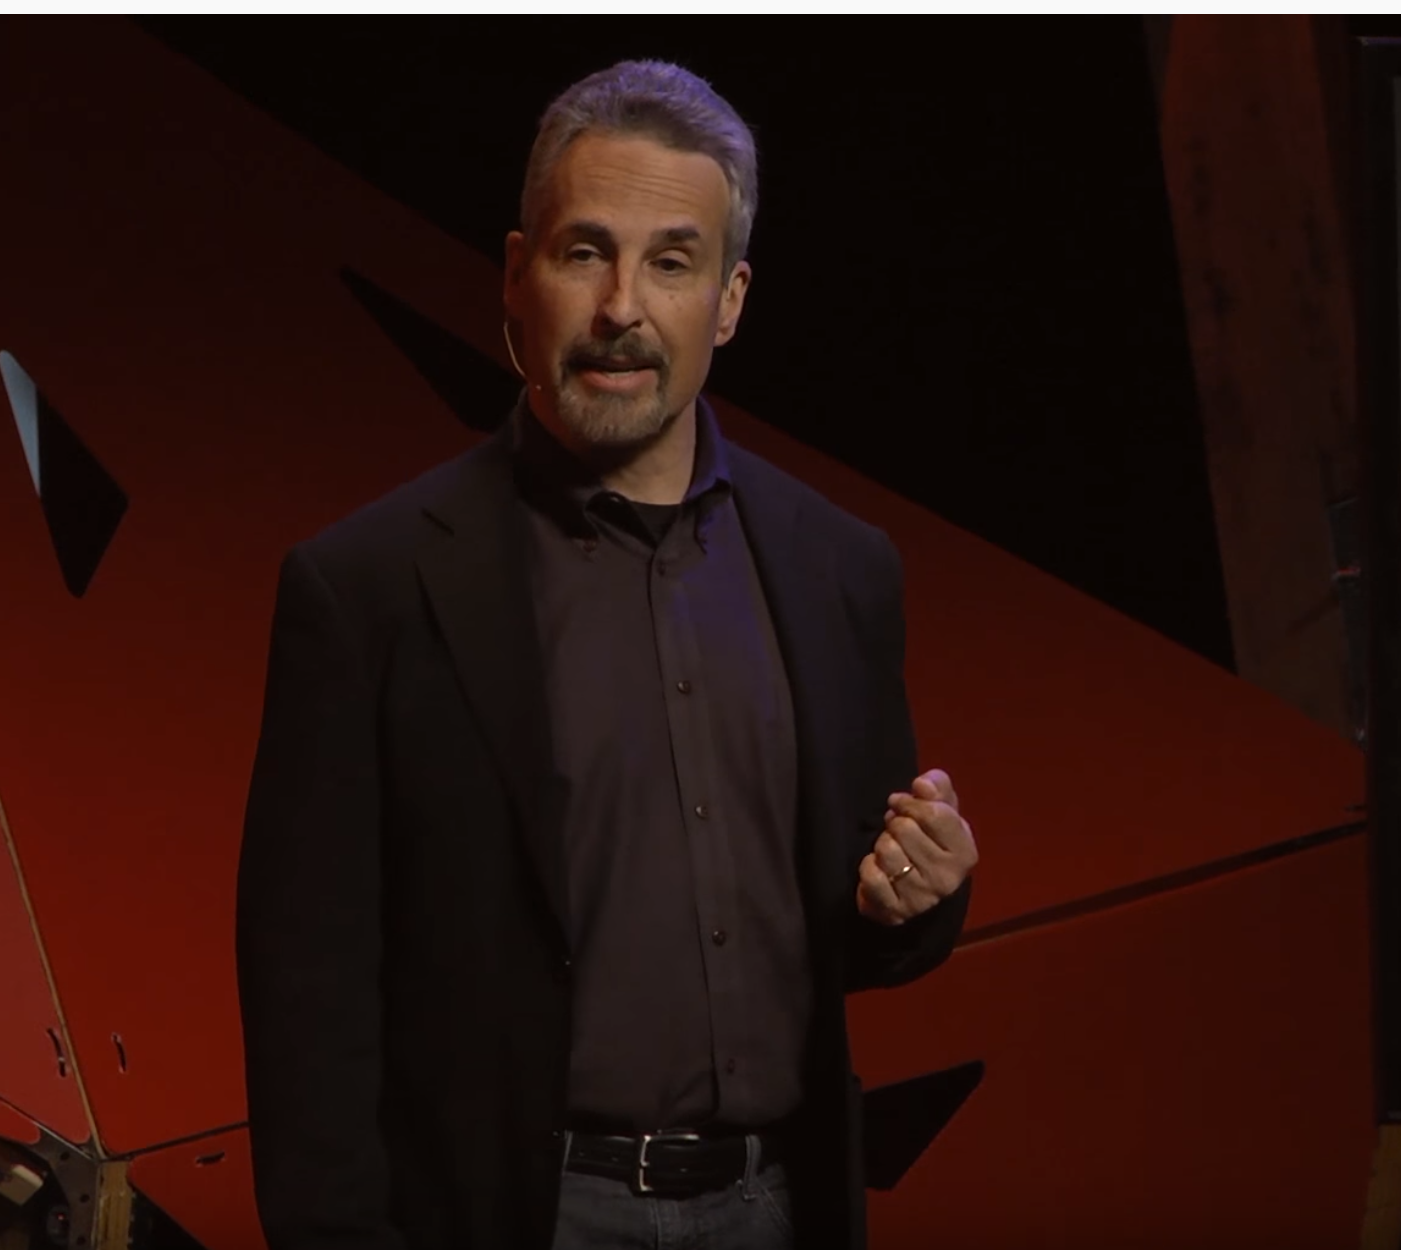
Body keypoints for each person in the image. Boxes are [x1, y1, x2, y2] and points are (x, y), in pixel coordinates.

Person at [235, 59, 978, 1250]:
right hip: (516, 1217)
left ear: (727, 301)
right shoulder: (365, 586)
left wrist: (918, 901)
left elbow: (849, 929)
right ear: (516, 278)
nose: (622, 303)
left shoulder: (840, 566)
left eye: (671, 261)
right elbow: (304, 991)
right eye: (585, 253)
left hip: (781, 1202)